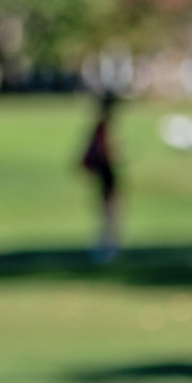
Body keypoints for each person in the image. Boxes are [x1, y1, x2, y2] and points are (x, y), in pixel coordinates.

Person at [80, 92, 121, 263]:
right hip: (106, 173)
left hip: (106, 173)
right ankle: (106, 248)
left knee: (109, 213)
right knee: (109, 214)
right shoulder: (102, 128)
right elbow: (104, 152)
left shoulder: (101, 127)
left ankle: (108, 246)